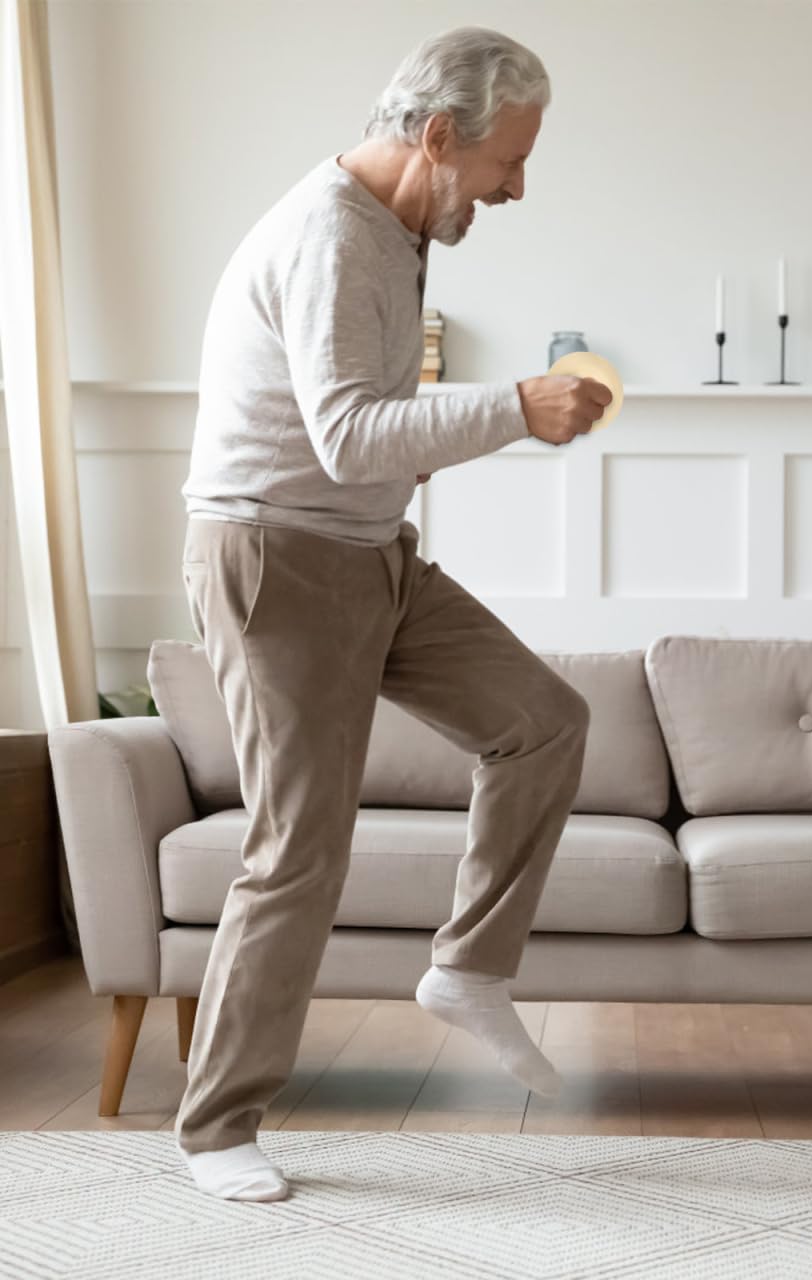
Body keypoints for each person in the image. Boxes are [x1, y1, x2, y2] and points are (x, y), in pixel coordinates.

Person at [176, 27, 612, 1202]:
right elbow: (350, 434)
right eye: (508, 162)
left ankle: (469, 968)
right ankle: (219, 1126)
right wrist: (514, 405)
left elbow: (364, 433)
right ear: (435, 136)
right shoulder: (332, 234)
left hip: (367, 549)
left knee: (543, 719)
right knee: (299, 847)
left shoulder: (399, 224)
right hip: (277, 553)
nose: (516, 186)